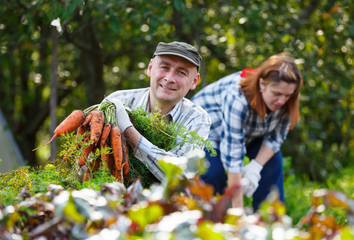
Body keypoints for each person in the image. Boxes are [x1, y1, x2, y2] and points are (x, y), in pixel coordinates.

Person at [191, 53, 303, 210]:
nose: (282, 101)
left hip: (248, 132)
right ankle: (208, 219)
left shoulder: (287, 101)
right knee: (213, 173)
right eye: (277, 94)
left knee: (272, 163)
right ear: (262, 84)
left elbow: (276, 138)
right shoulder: (237, 98)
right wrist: (239, 215)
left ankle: (270, 223)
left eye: (287, 95)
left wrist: (256, 167)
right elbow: (233, 157)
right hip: (206, 131)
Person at [103, 41, 211, 182]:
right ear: (150, 68)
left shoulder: (197, 118)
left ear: (194, 81)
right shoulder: (117, 101)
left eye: (181, 72)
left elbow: (181, 176)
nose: (169, 78)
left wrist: (130, 132)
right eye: (164, 67)